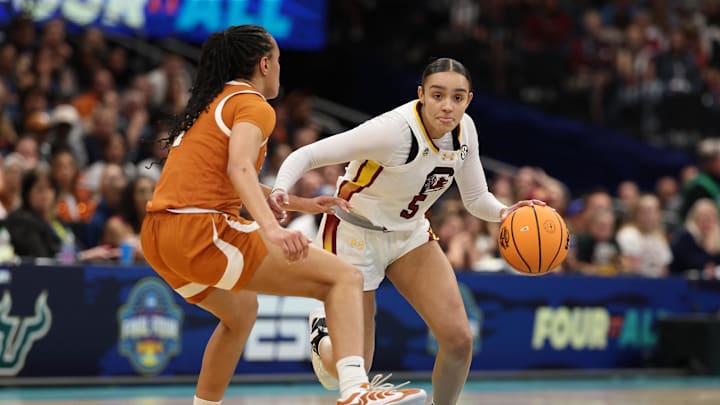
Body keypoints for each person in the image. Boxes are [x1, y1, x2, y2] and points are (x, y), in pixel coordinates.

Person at [139, 25, 426, 405]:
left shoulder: (210, 104)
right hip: (200, 228)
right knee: (344, 278)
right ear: (264, 63)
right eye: (278, 60)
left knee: (240, 313)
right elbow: (239, 169)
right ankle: (356, 390)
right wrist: (271, 230)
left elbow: (221, 179)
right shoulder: (253, 105)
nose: (279, 68)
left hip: (160, 237)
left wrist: (298, 204)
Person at [270, 57, 543, 405]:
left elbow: (475, 198)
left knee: (459, 341)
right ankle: (321, 330)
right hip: (354, 233)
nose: (447, 105)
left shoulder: (465, 130)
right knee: (351, 366)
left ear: (468, 100)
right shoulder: (393, 132)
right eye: (438, 95)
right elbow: (306, 155)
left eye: (457, 98)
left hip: (409, 235)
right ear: (421, 95)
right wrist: (280, 189)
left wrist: (504, 211)